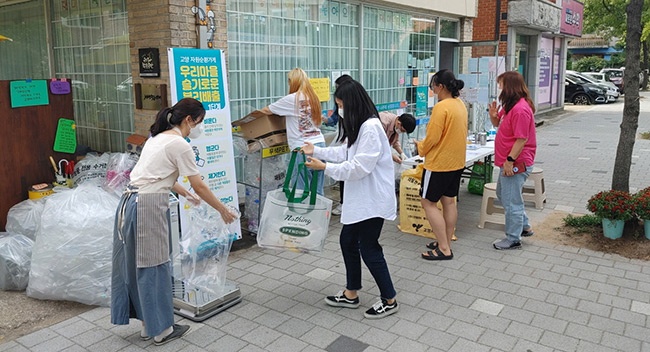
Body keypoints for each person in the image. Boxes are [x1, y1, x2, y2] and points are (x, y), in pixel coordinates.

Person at [111, 98, 237, 345]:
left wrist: (183, 192)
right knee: (155, 266)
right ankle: (162, 330)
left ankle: (148, 326)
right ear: (189, 120)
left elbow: (159, 175)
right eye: (199, 123)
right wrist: (222, 209)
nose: (199, 128)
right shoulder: (180, 144)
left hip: (129, 205)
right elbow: (199, 184)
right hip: (147, 206)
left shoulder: (156, 138)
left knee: (137, 266)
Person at [302, 80, 399, 319]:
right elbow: (344, 151)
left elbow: (358, 168)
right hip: (363, 199)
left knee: (369, 248)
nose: (339, 111)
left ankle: (389, 298)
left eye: (341, 105)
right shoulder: (361, 126)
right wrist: (316, 151)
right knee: (347, 241)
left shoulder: (371, 128)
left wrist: (324, 167)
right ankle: (351, 292)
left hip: (373, 199)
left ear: (352, 103)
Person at [414, 69, 467, 261]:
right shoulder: (459, 104)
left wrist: (420, 147)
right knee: (449, 201)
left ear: (440, 86)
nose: (432, 89)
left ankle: (444, 248)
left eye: (433, 85)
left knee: (428, 203)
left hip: (439, 164)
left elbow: (433, 138)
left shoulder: (441, 107)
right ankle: (446, 241)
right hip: (456, 162)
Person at [488, 71, 537, 249]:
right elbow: (497, 125)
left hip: (515, 162)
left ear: (509, 86)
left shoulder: (520, 109)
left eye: (501, 84)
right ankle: (524, 226)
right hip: (507, 161)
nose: (499, 88)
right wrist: (493, 115)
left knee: (511, 200)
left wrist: (509, 160)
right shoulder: (509, 106)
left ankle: (513, 238)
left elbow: (521, 139)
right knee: (504, 194)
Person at [260, 68, 326, 195]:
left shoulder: (292, 99)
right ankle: (320, 214)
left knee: (301, 191)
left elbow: (267, 110)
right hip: (319, 145)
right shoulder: (314, 98)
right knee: (317, 190)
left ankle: (303, 215)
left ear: (292, 81)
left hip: (302, 148)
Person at [323, 74, 354, 216]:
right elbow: (334, 119)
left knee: (346, 172)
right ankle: (345, 202)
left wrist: (325, 166)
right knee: (344, 170)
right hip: (344, 139)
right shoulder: (341, 104)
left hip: (348, 140)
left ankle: (345, 203)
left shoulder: (366, 123)